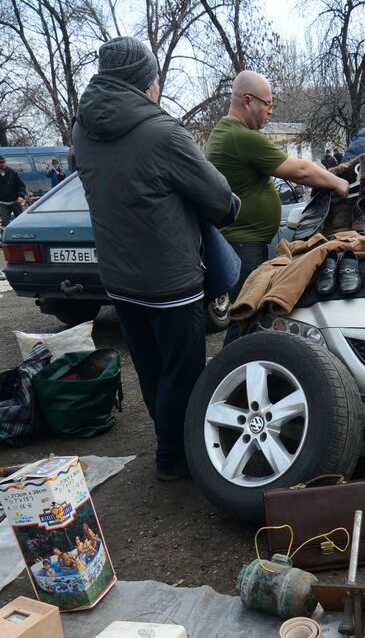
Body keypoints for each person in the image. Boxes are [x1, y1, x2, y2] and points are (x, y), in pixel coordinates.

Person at [71, 37, 241, 482]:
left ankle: (169, 445)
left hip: (119, 278)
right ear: (146, 82)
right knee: (182, 371)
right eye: (156, 78)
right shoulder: (164, 133)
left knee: (150, 368)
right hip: (170, 279)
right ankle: (177, 457)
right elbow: (219, 199)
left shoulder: (82, 131)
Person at [205, 70, 348, 339]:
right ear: (248, 101)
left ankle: (237, 371)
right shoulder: (241, 136)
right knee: (246, 320)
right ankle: (235, 374)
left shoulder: (228, 132)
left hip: (240, 244)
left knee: (245, 318)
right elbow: (300, 171)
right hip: (243, 246)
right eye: (268, 104)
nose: (270, 112)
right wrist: (339, 184)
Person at [0, 155, 25, 231]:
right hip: (3, 203)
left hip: (15, 201)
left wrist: (21, 195)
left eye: (4, 162)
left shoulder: (12, 172)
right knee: (5, 223)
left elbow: (21, 185)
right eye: (1, 162)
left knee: (20, 221)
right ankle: (9, 240)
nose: (3, 164)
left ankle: (22, 237)